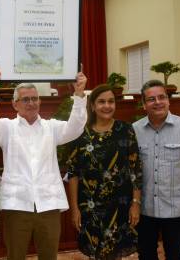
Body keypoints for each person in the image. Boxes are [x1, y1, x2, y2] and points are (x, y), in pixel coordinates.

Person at [0, 57, 88, 260]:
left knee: (49, 257)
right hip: (17, 205)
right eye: (26, 99)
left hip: (48, 205)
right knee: (16, 256)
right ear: (14, 104)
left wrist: (80, 94)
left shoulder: (51, 127)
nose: (31, 103)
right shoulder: (6, 128)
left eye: (35, 98)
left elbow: (75, 128)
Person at [133, 80, 180, 260]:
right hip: (144, 210)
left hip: (176, 209)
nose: (157, 102)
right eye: (151, 99)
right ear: (144, 105)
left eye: (162, 97)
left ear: (168, 100)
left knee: (175, 254)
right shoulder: (134, 130)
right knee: (145, 254)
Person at [66, 84, 142, 259]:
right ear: (92, 105)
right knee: (96, 253)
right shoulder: (79, 133)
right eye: (101, 102)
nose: (107, 106)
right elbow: (73, 173)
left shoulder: (125, 130)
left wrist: (136, 203)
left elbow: (135, 169)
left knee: (115, 253)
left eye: (111, 101)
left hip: (120, 205)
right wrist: (75, 208)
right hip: (90, 207)